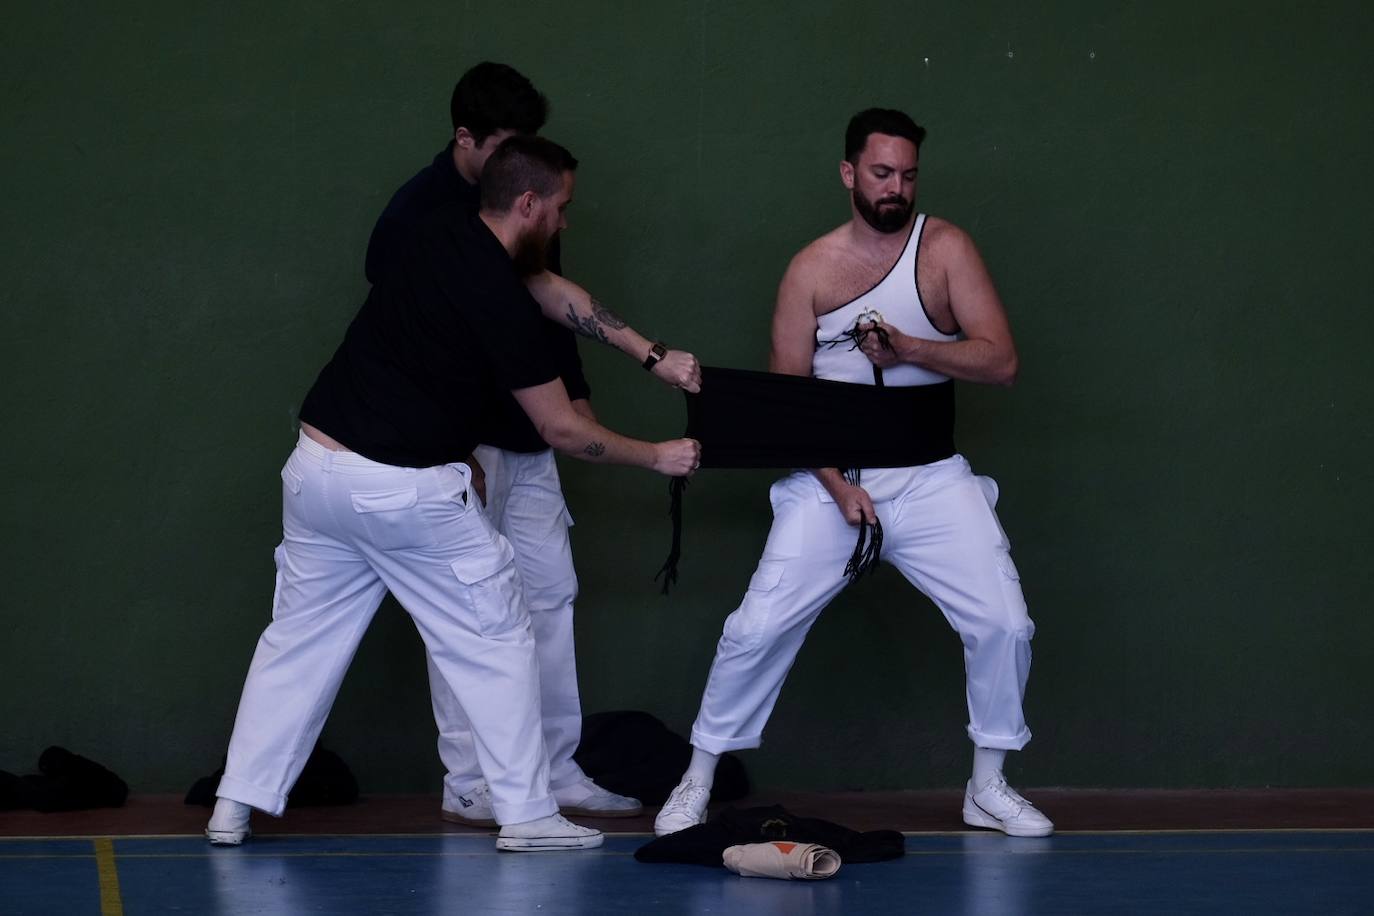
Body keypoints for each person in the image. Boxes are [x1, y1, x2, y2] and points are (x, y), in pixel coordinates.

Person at [206, 136, 700, 851]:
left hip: (316, 472)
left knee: (296, 644)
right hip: (403, 492)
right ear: (527, 204)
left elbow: (555, 293)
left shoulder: (443, 232)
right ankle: (527, 816)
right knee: (498, 635)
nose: (565, 224)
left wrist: (650, 355)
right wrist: (656, 455)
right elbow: (562, 429)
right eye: (561, 210)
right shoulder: (499, 303)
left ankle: (233, 805)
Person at [653, 109, 1052, 838]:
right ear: (848, 174)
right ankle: (697, 778)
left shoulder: (947, 249)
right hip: (830, 480)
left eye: (907, 174)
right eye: (880, 172)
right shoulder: (810, 269)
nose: (895, 187)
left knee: (1005, 623)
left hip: (932, 477)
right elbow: (786, 407)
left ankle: (988, 785)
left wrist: (912, 350)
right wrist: (839, 488)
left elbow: (1002, 362)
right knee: (757, 625)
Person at [367, 62, 701, 825]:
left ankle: (555, 766)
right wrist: (448, 449)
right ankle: (471, 780)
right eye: (512, 147)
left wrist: (588, 396)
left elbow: (555, 307)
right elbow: (402, 348)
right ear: (467, 140)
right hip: (458, 451)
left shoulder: (529, 203)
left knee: (549, 598)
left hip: (533, 441)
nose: (529, 166)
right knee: (465, 613)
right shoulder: (415, 218)